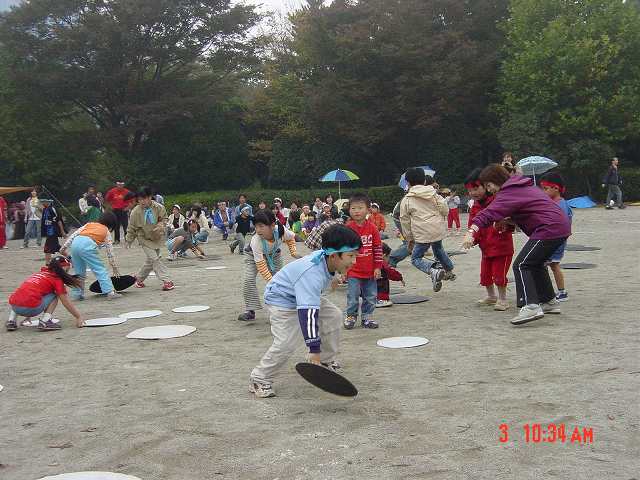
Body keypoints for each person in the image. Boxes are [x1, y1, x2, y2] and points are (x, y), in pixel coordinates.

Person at [249, 224, 362, 398]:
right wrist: (313, 349)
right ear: (334, 256)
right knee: (286, 342)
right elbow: (308, 315)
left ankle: (325, 360)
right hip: (282, 301)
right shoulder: (311, 274)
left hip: (301, 295)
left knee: (333, 316)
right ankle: (260, 378)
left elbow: (314, 296)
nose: (354, 261)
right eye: (351, 256)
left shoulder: (328, 260)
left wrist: (336, 276)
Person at [462, 164, 571, 325]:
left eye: (489, 185)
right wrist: (509, 221)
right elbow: (529, 212)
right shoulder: (520, 186)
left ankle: (531, 305)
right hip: (558, 226)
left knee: (521, 265)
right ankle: (549, 301)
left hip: (549, 228)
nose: (489, 190)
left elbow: (489, 213)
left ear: (495, 181)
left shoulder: (509, 191)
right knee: (536, 264)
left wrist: (471, 231)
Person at [465, 169, 514, 311]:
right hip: (486, 247)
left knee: (499, 275)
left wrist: (504, 226)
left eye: (476, 188)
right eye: (470, 190)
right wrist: (473, 238)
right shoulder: (475, 205)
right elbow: (472, 224)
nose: (473, 193)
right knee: (485, 275)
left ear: (486, 186)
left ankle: (503, 299)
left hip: (502, 247)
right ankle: (491, 296)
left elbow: (509, 221)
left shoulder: (497, 200)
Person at [238, 209, 300, 322]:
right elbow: (261, 266)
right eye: (256, 226)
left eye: (261, 226)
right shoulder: (256, 240)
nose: (258, 230)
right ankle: (250, 310)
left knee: (282, 281)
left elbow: (290, 238)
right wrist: (272, 282)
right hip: (252, 256)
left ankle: (285, 308)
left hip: (274, 255)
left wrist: (293, 252)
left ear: (272, 225)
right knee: (248, 279)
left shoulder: (281, 230)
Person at [400, 168, 455, 292]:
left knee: (415, 258)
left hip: (421, 233)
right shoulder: (434, 194)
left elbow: (405, 221)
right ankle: (449, 270)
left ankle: (433, 270)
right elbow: (445, 210)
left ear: (407, 182)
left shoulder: (407, 199)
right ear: (424, 180)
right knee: (438, 249)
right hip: (437, 229)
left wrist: (409, 239)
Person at [6, 255, 84, 331]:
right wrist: (78, 316)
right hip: (31, 309)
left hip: (15, 307)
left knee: (20, 294)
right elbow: (65, 301)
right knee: (55, 295)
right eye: (67, 269)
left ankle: (11, 320)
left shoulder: (39, 274)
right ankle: (45, 321)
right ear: (63, 268)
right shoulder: (56, 279)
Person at [60, 212, 121, 300]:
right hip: (87, 246)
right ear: (112, 224)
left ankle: (77, 294)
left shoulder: (88, 224)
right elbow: (110, 250)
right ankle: (110, 292)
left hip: (75, 244)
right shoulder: (106, 231)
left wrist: (63, 249)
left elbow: (73, 236)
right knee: (99, 269)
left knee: (78, 272)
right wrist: (114, 266)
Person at [343, 192, 382, 330]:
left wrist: (378, 267)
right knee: (352, 296)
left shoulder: (373, 228)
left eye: (360, 208)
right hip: (353, 270)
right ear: (349, 210)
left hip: (370, 270)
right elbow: (344, 251)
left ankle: (367, 317)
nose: (356, 211)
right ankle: (351, 316)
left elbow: (377, 249)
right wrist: (343, 270)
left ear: (367, 209)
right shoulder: (348, 228)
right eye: (353, 208)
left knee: (371, 296)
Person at [126, 187, 174, 291]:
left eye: (144, 199)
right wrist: (128, 240)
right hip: (144, 238)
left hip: (156, 237)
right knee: (155, 259)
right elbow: (131, 227)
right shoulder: (135, 212)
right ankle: (167, 281)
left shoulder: (159, 207)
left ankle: (138, 279)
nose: (141, 201)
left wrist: (161, 225)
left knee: (150, 261)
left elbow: (165, 218)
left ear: (149, 197)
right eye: (139, 199)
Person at [540, 172, 573, 302]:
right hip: (553, 241)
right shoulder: (554, 202)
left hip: (555, 242)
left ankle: (560, 292)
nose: (543, 192)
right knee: (552, 265)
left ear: (556, 188)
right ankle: (559, 291)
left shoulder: (560, 205)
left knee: (551, 265)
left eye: (545, 189)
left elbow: (562, 225)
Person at [376, 243, 404, 308]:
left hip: (365, 291)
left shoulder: (368, 262)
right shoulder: (382, 263)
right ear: (384, 255)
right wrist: (400, 277)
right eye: (388, 257)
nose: (388, 259)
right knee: (383, 281)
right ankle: (380, 300)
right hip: (380, 292)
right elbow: (391, 273)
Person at [40, 199, 66, 264]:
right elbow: (44, 220)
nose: (42, 203)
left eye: (44, 202)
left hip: (53, 232)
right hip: (48, 232)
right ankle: (70, 258)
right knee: (58, 248)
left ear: (49, 202)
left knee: (47, 248)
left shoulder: (53, 209)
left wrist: (62, 232)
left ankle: (47, 264)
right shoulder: (44, 210)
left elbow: (59, 220)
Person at [389, 200, 410, 267]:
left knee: (407, 242)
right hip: (401, 217)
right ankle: (391, 258)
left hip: (400, 216)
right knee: (411, 244)